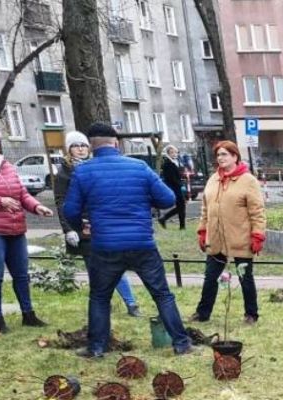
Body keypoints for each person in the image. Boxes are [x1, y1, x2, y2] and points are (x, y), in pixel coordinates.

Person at [63, 122, 193, 358]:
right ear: (116, 143)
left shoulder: (83, 171)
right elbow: (167, 199)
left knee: (100, 297)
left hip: (104, 246)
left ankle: (96, 348)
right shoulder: (139, 167)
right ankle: (181, 343)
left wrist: (81, 226)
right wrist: (143, 201)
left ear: (91, 146)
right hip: (141, 243)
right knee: (162, 295)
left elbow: (70, 210)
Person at [55, 131, 141, 317]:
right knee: (95, 269)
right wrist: (68, 229)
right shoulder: (64, 172)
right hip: (82, 227)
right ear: (68, 149)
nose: (81, 149)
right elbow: (61, 202)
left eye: (84, 145)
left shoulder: (96, 166)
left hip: (103, 224)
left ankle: (131, 304)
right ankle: (103, 305)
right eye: (76, 146)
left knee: (115, 265)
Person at [0, 123, 52, 334]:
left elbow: (22, 193)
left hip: (16, 229)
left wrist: (37, 206)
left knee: (21, 275)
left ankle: (28, 315)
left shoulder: (8, 166)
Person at [191, 140, 266, 325]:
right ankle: (202, 313)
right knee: (210, 277)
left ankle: (251, 314)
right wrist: (202, 231)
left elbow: (257, 211)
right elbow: (205, 209)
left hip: (240, 237)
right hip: (216, 238)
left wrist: (257, 235)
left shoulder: (248, 181)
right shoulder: (213, 179)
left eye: (224, 154)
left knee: (245, 278)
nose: (220, 158)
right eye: (218, 155)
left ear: (235, 156)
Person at [158, 145, 186, 230]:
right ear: (168, 153)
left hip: (177, 186)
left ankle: (165, 219)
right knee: (181, 205)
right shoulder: (167, 163)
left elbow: (178, 175)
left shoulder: (175, 162)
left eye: (175, 152)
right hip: (173, 187)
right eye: (172, 152)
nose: (174, 154)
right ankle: (165, 219)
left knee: (181, 206)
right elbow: (172, 178)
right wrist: (181, 185)